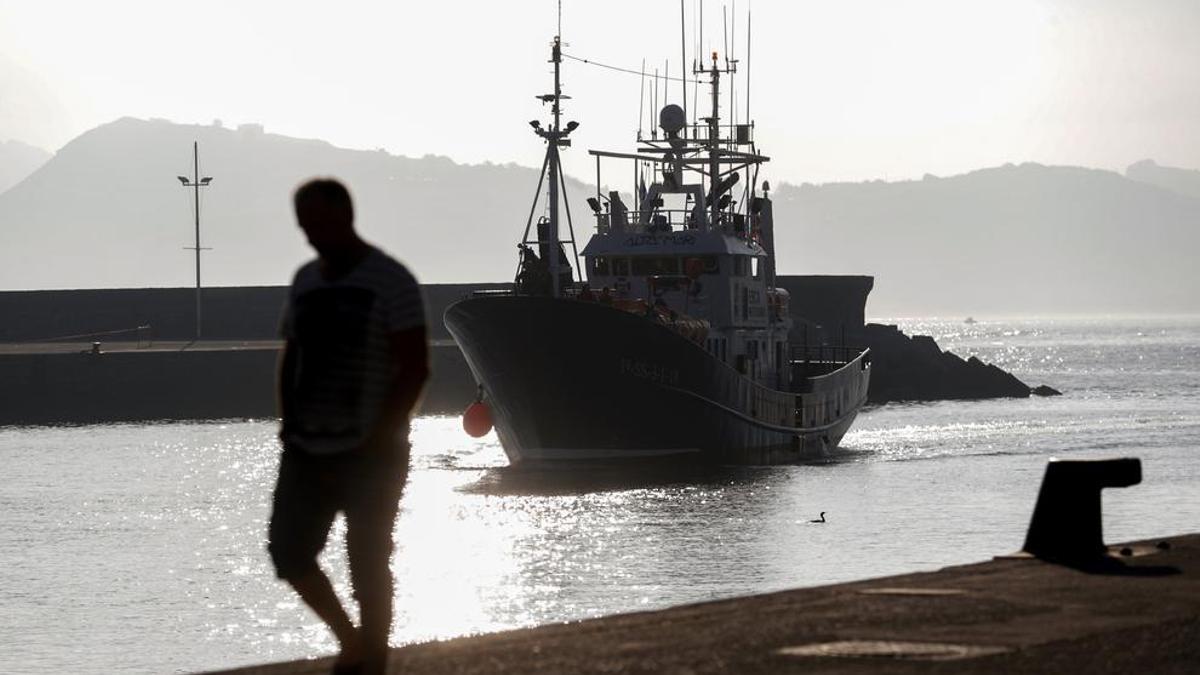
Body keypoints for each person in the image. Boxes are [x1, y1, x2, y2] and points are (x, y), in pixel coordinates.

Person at [268, 178, 428, 675]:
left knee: (368, 559)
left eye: (319, 223)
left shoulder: (391, 280)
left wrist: (383, 431)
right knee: (289, 551)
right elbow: (291, 355)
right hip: (307, 446)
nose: (311, 234)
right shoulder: (306, 282)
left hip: (373, 451)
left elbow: (415, 366)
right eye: (305, 225)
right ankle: (350, 639)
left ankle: (372, 656)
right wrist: (289, 422)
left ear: (345, 217)